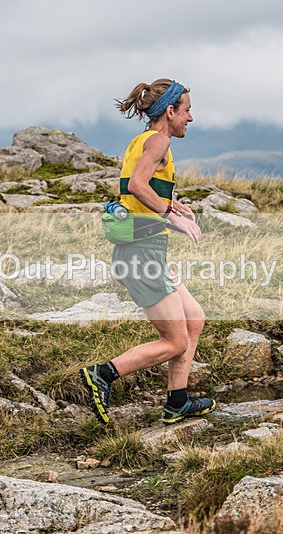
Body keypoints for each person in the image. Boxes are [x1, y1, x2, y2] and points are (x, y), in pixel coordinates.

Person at [80, 78, 216, 425]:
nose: (191, 118)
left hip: (147, 251)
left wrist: (173, 204)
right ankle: (103, 374)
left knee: (194, 319)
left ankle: (177, 401)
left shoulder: (146, 142)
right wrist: (170, 214)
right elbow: (139, 187)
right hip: (142, 255)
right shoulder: (158, 141)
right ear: (170, 112)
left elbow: (136, 189)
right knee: (174, 341)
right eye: (186, 111)